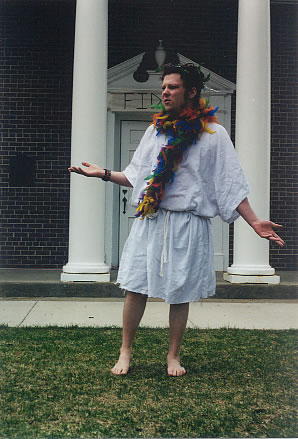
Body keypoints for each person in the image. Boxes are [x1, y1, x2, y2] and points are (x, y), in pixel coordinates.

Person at [68, 63, 284, 377]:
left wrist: (254, 222)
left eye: (172, 87)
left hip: (189, 225)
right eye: (164, 87)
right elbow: (134, 176)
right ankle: (125, 352)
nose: (164, 92)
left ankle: (173, 356)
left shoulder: (214, 134)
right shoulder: (155, 130)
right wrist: (101, 173)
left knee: (180, 292)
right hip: (152, 220)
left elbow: (230, 183)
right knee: (135, 287)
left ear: (191, 92)